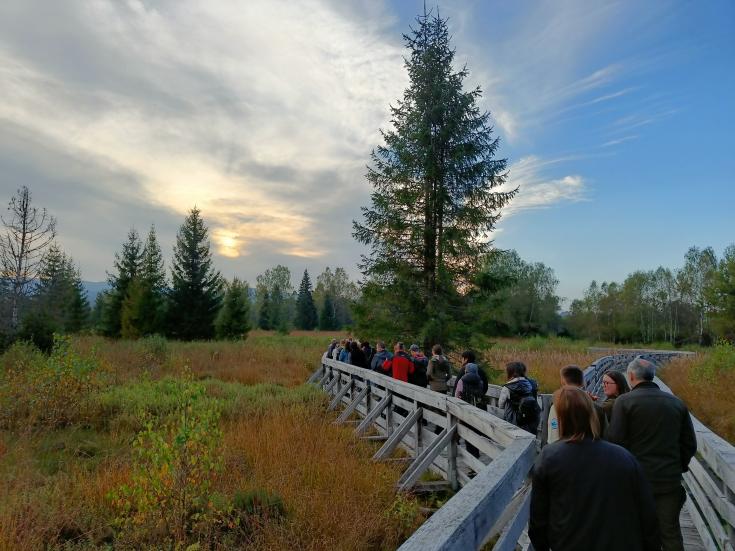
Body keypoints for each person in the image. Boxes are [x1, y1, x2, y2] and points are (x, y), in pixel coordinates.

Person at [529, 386, 661, 551]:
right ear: (592, 415)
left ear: (560, 417)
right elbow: (647, 513)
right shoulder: (624, 457)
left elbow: (538, 519)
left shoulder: (549, 457)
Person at [608, 358, 697, 551]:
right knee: (670, 533)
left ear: (630, 376)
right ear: (652, 376)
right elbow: (689, 444)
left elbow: (616, 443)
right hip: (669, 481)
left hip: (634, 482)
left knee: (635, 531)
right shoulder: (677, 403)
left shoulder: (624, 402)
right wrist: (677, 466)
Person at [547, 365, 607, 443]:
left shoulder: (557, 407)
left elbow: (553, 436)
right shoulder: (596, 408)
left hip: (563, 451)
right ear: (582, 382)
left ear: (563, 381)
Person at [498, 361, 540, 434]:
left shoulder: (507, 387)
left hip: (514, 420)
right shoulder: (533, 383)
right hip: (532, 418)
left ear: (510, 372)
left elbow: (501, 405)